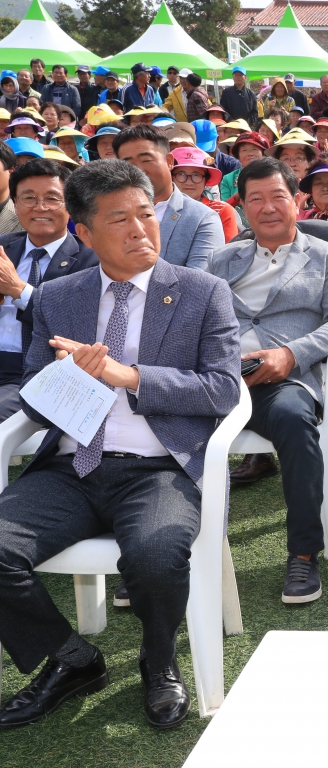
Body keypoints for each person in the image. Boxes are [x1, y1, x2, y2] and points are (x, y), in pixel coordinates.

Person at [0, 158, 240, 730]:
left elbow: (224, 389)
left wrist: (129, 377)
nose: (139, 230)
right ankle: (71, 658)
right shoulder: (60, 297)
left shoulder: (203, 292)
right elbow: (32, 398)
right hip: (71, 467)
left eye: (145, 215)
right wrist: (70, 378)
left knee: (155, 555)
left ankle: (159, 662)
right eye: (119, 220)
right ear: (84, 233)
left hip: (160, 467)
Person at [210, 157, 328, 600]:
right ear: (242, 207)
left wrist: (291, 354)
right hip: (220, 378)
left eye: (277, 196)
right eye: (255, 199)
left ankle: (302, 554)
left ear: (296, 201)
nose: (268, 207)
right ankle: (156, 555)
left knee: (296, 422)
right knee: (155, 413)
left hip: (283, 381)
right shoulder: (221, 259)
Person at [0, 159, 99, 420]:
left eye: (52, 198)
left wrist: (18, 289)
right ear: (16, 204)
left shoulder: (92, 258)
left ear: (71, 205)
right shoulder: (3, 247)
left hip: (39, 371)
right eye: (28, 198)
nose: (40, 207)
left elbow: (75, 326)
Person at [113, 125, 223, 271]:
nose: (139, 170)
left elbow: (201, 285)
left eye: (146, 160)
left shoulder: (202, 218)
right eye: (128, 163)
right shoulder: (109, 214)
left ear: (169, 161)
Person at [169, 147, 239, 242]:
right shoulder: (159, 208)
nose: (189, 182)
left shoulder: (222, 211)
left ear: (206, 180)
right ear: (171, 177)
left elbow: (230, 252)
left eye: (196, 175)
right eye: (181, 174)